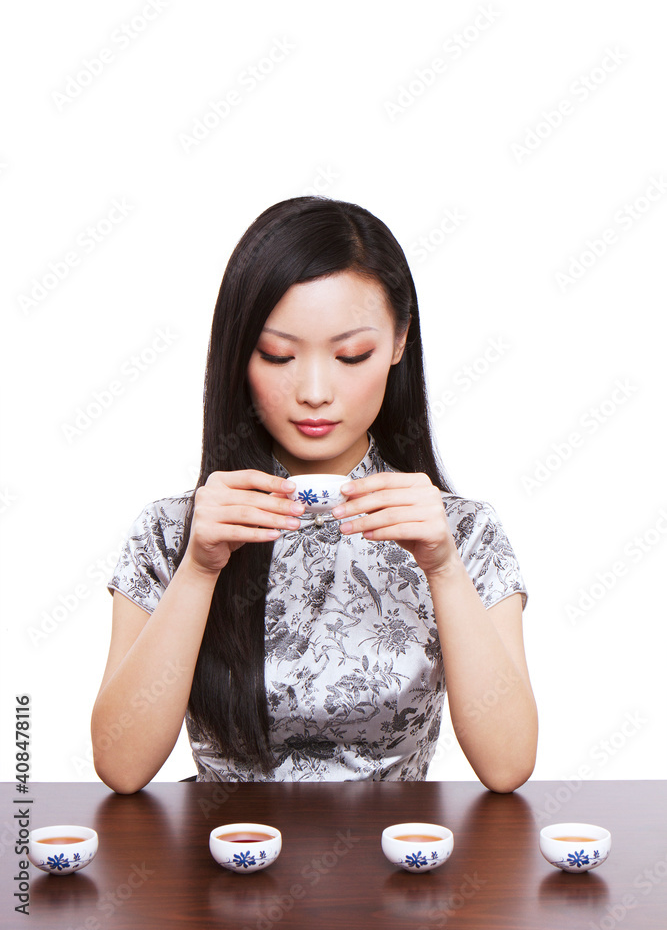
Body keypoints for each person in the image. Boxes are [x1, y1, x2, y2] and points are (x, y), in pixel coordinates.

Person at [91, 196, 538, 794]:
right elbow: (121, 769)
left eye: (351, 355)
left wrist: (444, 567)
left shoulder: (459, 532)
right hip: (223, 866)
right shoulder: (178, 531)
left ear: (400, 342)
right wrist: (199, 570)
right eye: (278, 355)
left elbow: (507, 768)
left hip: (393, 865)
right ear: (238, 354)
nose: (315, 391)